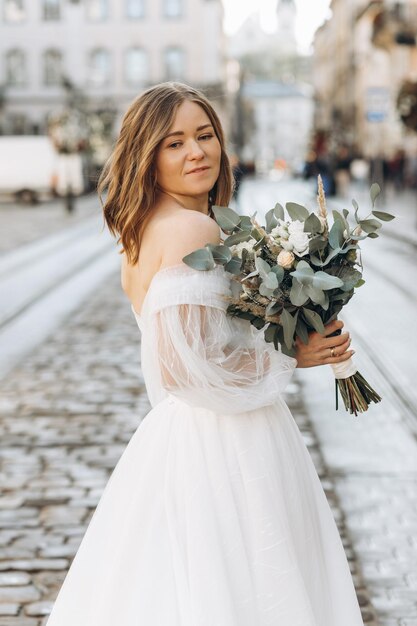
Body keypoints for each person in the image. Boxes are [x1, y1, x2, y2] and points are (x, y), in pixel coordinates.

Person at [45, 82, 363, 626]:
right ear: (147, 157)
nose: (196, 151)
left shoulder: (147, 230)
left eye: (204, 134)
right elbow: (184, 368)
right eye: (173, 143)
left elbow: (208, 342)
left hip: (188, 437)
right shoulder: (190, 228)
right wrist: (294, 354)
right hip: (227, 444)